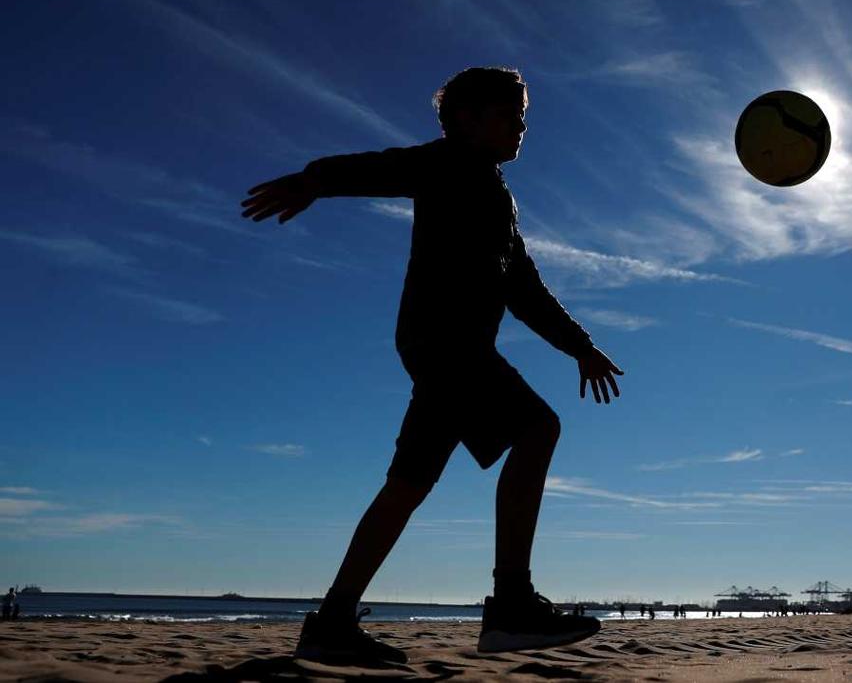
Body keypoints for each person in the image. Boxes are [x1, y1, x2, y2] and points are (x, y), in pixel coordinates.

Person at [242, 67, 624, 663]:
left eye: (523, 118)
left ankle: (331, 623)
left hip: (446, 351)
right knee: (538, 428)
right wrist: (313, 180)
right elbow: (381, 166)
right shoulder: (448, 164)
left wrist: (579, 345)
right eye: (508, 116)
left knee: (407, 485)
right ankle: (512, 604)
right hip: (446, 347)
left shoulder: (496, 194)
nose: (520, 128)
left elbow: (522, 286)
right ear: (465, 120)